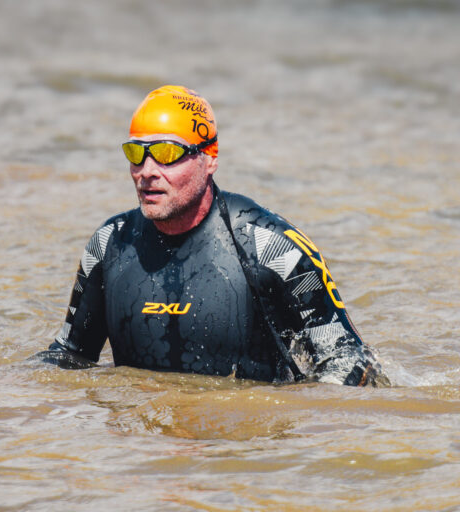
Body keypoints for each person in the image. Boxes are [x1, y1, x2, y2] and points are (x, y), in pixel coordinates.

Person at [35, 85, 388, 386]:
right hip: (140, 442)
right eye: (136, 153)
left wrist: (308, 420)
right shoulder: (110, 244)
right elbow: (68, 355)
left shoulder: (268, 246)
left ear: (210, 158)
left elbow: (352, 359)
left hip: (240, 442)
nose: (147, 171)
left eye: (167, 153)